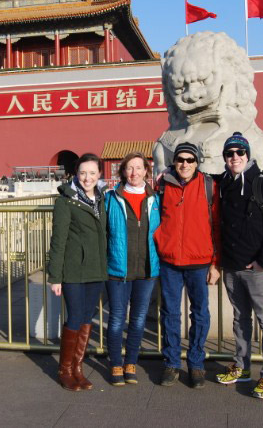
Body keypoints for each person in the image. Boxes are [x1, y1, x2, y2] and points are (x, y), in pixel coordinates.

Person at [215, 132, 263, 400]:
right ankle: (242, 366)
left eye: (239, 153)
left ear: (247, 155)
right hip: (232, 266)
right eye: (229, 153)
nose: (235, 157)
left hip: (258, 267)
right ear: (224, 158)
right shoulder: (223, 183)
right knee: (239, 319)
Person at [153, 141, 220, 388]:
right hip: (170, 260)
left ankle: (196, 363)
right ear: (174, 161)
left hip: (199, 261)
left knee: (200, 314)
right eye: (180, 159)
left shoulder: (209, 186)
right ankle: (171, 362)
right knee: (170, 313)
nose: (185, 164)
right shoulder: (162, 185)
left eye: (190, 160)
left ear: (197, 163)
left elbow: (217, 226)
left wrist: (215, 264)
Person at [47, 153, 107, 391]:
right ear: (76, 174)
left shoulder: (102, 199)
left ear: (99, 175)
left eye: (92, 173)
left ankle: (78, 368)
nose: (87, 178)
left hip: (96, 268)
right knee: (74, 317)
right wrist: (55, 277)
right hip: (73, 269)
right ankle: (64, 370)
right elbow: (58, 240)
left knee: (86, 318)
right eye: (83, 173)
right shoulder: (65, 201)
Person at [104, 152, 161, 386]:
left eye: (139, 168)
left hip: (147, 269)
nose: (134, 173)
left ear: (147, 171)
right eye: (129, 168)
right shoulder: (110, 198)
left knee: (137, 320)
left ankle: (131, 363)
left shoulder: (156, 200)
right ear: (123, 171)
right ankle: (116, 362)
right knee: (117, 319)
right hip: (118, 269)